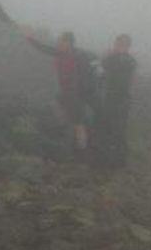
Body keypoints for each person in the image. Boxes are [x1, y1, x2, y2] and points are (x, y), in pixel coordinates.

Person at [22, 28, 98, 158]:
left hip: (76, 93)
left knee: (78, 122)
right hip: (66, 93)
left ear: (68, 42)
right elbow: (44, 48)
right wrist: (30, 39)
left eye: (61, 41)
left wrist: (80, 93)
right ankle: (76, 147)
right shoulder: (60, 53)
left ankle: (83, 151)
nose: (58, 43)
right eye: (59, 41)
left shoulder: (78, 56)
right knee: (69, 118)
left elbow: (83, 77)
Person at [96, 34, 137, 168]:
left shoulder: (130, 61)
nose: (120, 46)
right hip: (110, 98)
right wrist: (107, 56)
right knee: (105, 127)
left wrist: (112, 56)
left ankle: (120, 160)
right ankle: (105, 158)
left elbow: (127, 75)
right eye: (118, 43)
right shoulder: (110, 58)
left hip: (123, 99)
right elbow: (100, 70)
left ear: (128, 46)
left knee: (119, 129)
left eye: (123, 44)